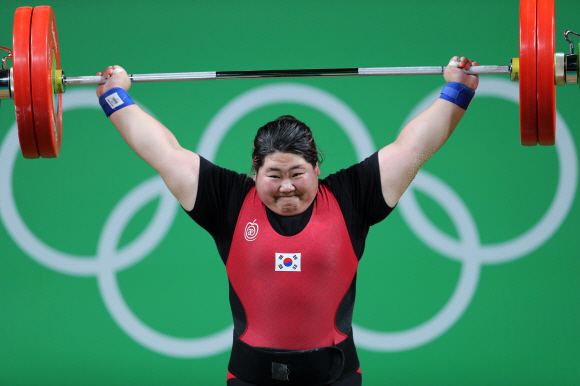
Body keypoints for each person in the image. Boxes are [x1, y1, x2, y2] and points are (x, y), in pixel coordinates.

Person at [95, 56, 479, 386]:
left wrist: (457, 91)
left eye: (297, 173)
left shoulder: (351, 197)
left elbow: (414, 147)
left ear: (316, 167)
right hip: (249, 376)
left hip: (336, 376)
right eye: (273, 175)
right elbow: (162, 151)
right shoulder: (227, 200)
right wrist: (116, 96)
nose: (286, 188)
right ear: (255, 170)